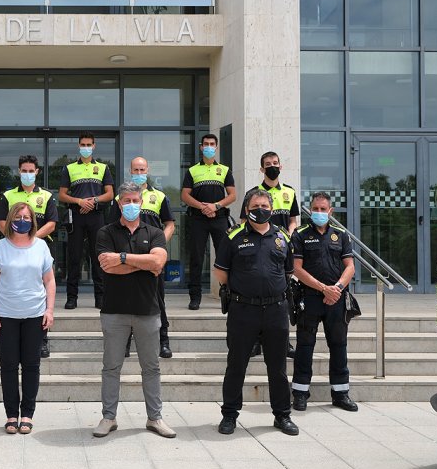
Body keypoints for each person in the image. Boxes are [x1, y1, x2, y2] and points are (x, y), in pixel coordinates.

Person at [92, 182, 176, 439]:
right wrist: (144, 263)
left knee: (151, 367)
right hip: (114, 311)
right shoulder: (105, 232)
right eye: (126, 201)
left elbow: (159, 261)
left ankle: (155, 418)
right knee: (111, 367)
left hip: (148, 311)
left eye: (134, 201)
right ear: (118, 203)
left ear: (142, 203)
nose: (130, 205)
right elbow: (108, 267)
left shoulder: (155, 232)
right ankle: (109, 418)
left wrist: (124, 258)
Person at [213, 189, 299, 436]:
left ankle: (282, 415)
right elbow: (221, 273)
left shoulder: (282, 237)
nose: (260, 209)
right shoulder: (234, 236)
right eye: (255, 205)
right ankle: (229, 415)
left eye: (264, 205)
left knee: (278, 366)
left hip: (276, 310)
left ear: (271, 209)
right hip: (243, 310)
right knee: (236, 364)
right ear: (247, 209)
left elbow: (288, 271)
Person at [0, 202, 56, 435]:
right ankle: (11, 415)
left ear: (33, 221)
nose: (23, 220)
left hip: (35, 315)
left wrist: (49, 310)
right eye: (18, 216)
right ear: (10, 219)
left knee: (31, 366)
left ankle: (27, 414)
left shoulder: (42, 247)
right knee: (8, 366)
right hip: (5, 316)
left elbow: (49, 281)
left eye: (27, 217)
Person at [291, 192, 358, 412]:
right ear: (310, 210)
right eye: (315, 209)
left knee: (338, 345)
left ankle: (340, 393)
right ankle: (300, 393)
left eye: (323, 209)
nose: (319, 212)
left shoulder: (341, 235)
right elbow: (297, 269)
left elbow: (349, 266)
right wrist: (323, 289)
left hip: (336, 300)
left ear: (330, 212)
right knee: (305, 346)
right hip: (309, 298)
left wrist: (337, 289)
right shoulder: (300, 235)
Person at [110, 157, 175, 359]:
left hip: (152, 258)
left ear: (148, 170)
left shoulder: (160, 196)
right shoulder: (119, 199)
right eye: (135, 170)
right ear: (130, 171)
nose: (139, 173)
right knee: (126, 299)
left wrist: (158, 247)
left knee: (158, 300)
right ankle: (125, 343)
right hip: (127, 258)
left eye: (142, 169)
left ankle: (163, 341)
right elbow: (112, 227)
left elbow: (170, 224)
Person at [0, 155, 58, 358]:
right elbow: (0, 222)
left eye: (31, 171)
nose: (28, 174)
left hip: (40, 252)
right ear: (19, 171)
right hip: (12, 251)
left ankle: (43, 340)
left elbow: (51, 223)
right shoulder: (7, 196)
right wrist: (18, 239)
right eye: (24, 170)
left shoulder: (47, 196)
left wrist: (31, 238)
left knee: (41, 293)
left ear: (37, 172)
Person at [241, 151, 299, 358]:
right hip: (257, 251)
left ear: (281, 166)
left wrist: (288, 236)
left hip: (281, 251)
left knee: (284, 296)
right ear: (261, 168)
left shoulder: (290, 192)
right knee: (256, 295)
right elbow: (243, 222)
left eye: (275, 163)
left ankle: (285, 342)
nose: (272, 166)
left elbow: (293, 220)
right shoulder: (252, 194)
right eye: (268, 164)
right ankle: (256, 341)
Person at [58, 132, 114, 310]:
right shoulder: (69, 168)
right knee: (74, 258)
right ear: (78, 146)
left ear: (94, 146)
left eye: (89, 144)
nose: (86, 147)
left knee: (98, 257)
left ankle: (101, 297)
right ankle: (71, 298)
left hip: (96, 216)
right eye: (83, 144)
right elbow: (62, 195)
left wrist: (93, 201)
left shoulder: (103, 168)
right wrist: (79, 201)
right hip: (77, 216)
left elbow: (110, 194)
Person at [181, 134, 236, 310]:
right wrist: (203, 207)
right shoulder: (192, 170)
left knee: (224, 256)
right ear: (200, 147)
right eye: (206, 144)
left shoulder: (225, 170)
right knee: (196, 258)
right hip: (198, 219)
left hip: (220, 219)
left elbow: (233, 195)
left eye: (212, 144)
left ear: (217, 147)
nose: (209, 147)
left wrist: (215, 206)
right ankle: (195, 297)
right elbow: (184, 195)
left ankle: (227, 294)